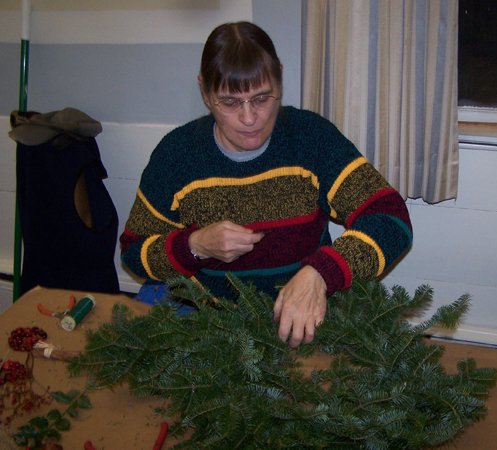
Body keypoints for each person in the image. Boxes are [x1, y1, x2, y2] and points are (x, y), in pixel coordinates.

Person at [120, 21, 413, 348]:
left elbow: (390, 218)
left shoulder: (310, 138)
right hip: (203, 313)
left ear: (280, 79)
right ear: (205, 91)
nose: (249, 118)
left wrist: (320, 274)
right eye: (230, 102)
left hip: (296, 314)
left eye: (261, 98)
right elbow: (133, 251)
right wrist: (195, 245)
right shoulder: (177, 155)